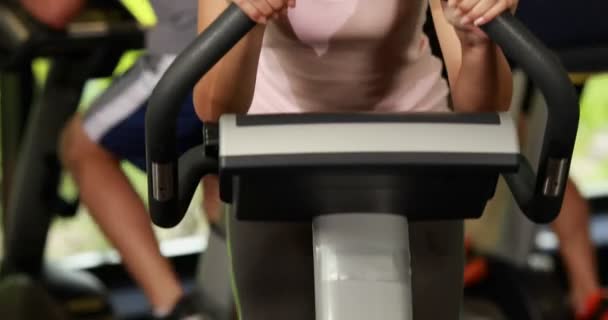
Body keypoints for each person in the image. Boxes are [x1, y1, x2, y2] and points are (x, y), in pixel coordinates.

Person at [193, 0, 607, 319]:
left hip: (413, 156)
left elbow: (484, 111)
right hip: (276, 159)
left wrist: (478, 43)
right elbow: (213, 107)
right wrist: (246, 20)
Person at [20, 0, 210, 319]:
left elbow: (53, 9)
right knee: (223, 175)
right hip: (262, 44)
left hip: (197, 45)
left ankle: (176, 310)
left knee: (82, 146)